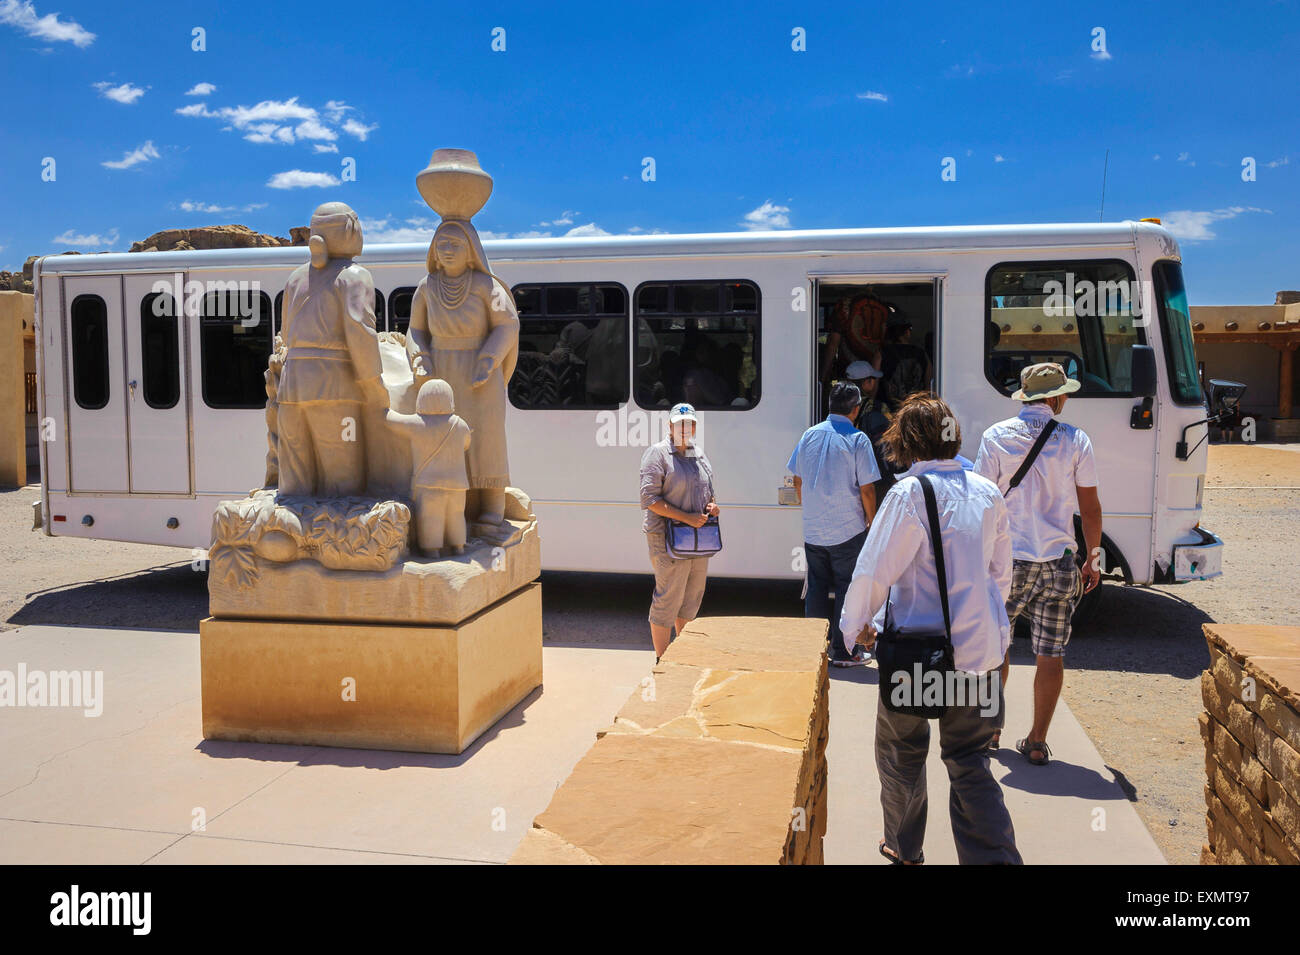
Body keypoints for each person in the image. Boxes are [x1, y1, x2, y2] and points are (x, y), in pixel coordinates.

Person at [841, 393, 1021, 865]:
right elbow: (1001, 576)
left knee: (901, 755)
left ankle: (904, 850)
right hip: (980, 656)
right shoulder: (987, 491)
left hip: (915, 659)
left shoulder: (906, 496)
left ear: (905, 442)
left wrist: (855, 627)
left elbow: (874, 573)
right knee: (971, 763)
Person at [973, 363, 1103, 765]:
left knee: (997, 649)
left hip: (1006, 561)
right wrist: (1093, 558)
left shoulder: (995, 436)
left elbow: (980, 500)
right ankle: (1035, 741)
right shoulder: (1075, 440)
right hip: (1058, 561)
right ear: (1056, 398)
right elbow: (1090, 508)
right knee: (1050, 654)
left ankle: (991, 730)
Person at [406, 218, 519, 525]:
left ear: (470, 250)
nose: (447, 250)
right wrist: (420, 356)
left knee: (486, 437)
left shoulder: (487, 286)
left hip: (480, 374)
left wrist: (489, 357)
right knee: (445, 437)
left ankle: (492, 505)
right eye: (441, 245)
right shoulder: (426, 288)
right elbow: (415, 329)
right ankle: (457, 507)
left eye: (455, 244)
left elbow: (507, 324)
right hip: (441, 372)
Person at [277, 202, 389, 497]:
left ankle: (292, 539)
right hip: (335, 387)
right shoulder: (355, 276)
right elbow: (360, 332)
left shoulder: (295, 277)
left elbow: (286, 335)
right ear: (348, 230)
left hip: (292, 388)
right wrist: (374, 384)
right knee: (343, 480)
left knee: (294, 484)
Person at [787, 382, 881, 666]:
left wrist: (813, 508)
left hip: (814, 530)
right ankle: (842, 651)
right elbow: (867, 489)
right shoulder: (858, 439)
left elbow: (797, 479)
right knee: (846, 590)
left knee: (816, 588)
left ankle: (812, 651)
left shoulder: (809, 435)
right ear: (856, 409)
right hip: (847, 530)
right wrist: (872, 521)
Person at [639, 403, 719, 661]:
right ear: (670, 426)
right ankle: (663, 659)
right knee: (668, 597)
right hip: (667, 537)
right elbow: (649, 499)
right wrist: (686, 517)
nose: (685, 428)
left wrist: (712, 506)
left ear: (695, 426)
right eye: (679, 423)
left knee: (692, 596)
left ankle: (682, 655)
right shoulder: (658, 454)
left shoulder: (699, 453)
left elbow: (707, 489)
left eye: (690, 423)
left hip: (698, 538)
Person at [384, 379, 472, 557]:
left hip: (428, 484)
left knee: (431, 517)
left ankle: (432, 551)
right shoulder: (460, 424)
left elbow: (389, 420)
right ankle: (458, 546)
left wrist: (378, 402)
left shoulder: (417, 424)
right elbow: (466, 444)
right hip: (457, 484)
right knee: (456, 515)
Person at [845, 359, 895, 498]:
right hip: (873, 475)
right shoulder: (879, 407)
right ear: (867, 382)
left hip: (848, 474)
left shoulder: (838, 408)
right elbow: (890, 440)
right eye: (873, 379)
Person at [879, 316, 932, 410]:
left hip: (889, 408)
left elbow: (874, 382)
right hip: (915, 407)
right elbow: (928, 383)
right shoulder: (922, 353)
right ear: (907, 332)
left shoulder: (882, 353)